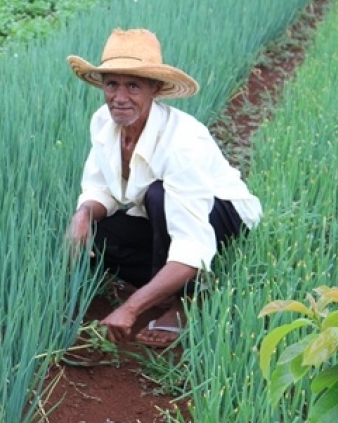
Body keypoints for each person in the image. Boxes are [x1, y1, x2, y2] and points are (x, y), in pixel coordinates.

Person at [65, 28, 262, 348]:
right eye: (112, 84)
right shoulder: (103, 121)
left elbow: (191, 243)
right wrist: (83, 214)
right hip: (161, 213)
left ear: (154, 88)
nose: (119, 97)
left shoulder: (183, 142)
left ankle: (185, 302)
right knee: (97, 235)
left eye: (133, 85)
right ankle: (165, 285)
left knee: (158, 195)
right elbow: (102, 189)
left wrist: (130, 308)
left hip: (223, 212)